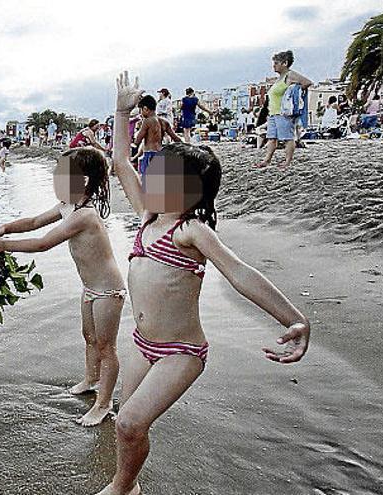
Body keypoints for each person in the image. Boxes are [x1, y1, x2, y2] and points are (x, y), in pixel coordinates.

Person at [96, 71, 311, 495]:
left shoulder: (191, 231)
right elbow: (120, 162)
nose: (152, 181)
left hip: (181, 352)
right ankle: (132, 485)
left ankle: (121, 488)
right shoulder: (148, 216)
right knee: (129, 423)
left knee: (129, 422)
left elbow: (240, 272)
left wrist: (295, 318)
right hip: (142, 344)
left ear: (192, 194)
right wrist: (121, 112)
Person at [0, 147, 125, 427]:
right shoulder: (66, 207)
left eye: (61, 175)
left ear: (82, 181)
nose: (55, 180)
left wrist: (3, 247)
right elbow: (35, 223)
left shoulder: (84, 215)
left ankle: (104, 403)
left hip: (109, 291)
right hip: (90, 288)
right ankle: (91, 378)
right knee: (88, 336)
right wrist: (5, 228)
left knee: (105, 346)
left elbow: (43, 243)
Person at [255, 50, 312, 168]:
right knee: (271, 138)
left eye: (276, 63)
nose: (274, 65)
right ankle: (266, 160)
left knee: (287, 138)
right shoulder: (279, 78)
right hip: (273, 113)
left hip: (283, 113)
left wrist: (293, 92)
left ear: (284, 63)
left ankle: (287, 161)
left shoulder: (290, 75)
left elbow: (307, 82)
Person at [129, 95, 181, 176]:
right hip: (160, 153)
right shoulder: (164, 122)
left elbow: (138, 140)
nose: (140, 113)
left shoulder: (147, 121)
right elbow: (176, 139)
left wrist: (132, 144)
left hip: (149, 154)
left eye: (141, 110)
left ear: (145, 109)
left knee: (147, 181)